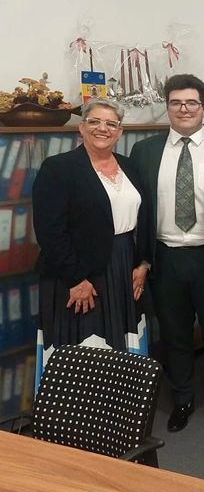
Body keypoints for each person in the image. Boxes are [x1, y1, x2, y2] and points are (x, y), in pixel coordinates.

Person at [130, 74, 204, 432]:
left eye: (191, 102)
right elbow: (140, 210)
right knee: (174, 334)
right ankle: (183, 399)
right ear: (168, 107)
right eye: (176, 102)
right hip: (166, 257)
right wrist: (142, 259)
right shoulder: (144, 151)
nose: (184, 109)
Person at [33, 98, 149, 370]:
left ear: (120, 132)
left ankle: (119, 397)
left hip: (123, 266)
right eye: (94, 121)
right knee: (84, 348)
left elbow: (145, 218)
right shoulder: (58, 168)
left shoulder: (129, 167)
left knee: (120, 346)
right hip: (77, 273)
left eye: (111, 124)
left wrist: (143, 263)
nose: (102, 128)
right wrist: (75, 279)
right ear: (82, 127)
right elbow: (50, 231)